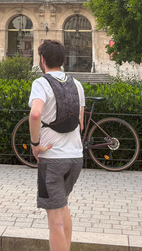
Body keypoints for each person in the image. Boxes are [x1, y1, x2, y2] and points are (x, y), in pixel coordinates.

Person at [28, 40, 85, 251]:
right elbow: (80, 123)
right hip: (75, 157)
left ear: (42, 60)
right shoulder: (77, 84)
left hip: (52, 159)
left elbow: (35, 113)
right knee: (62, 208)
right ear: (62, 60)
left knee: (55, 221)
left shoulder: (41, 83)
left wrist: (35, 144)